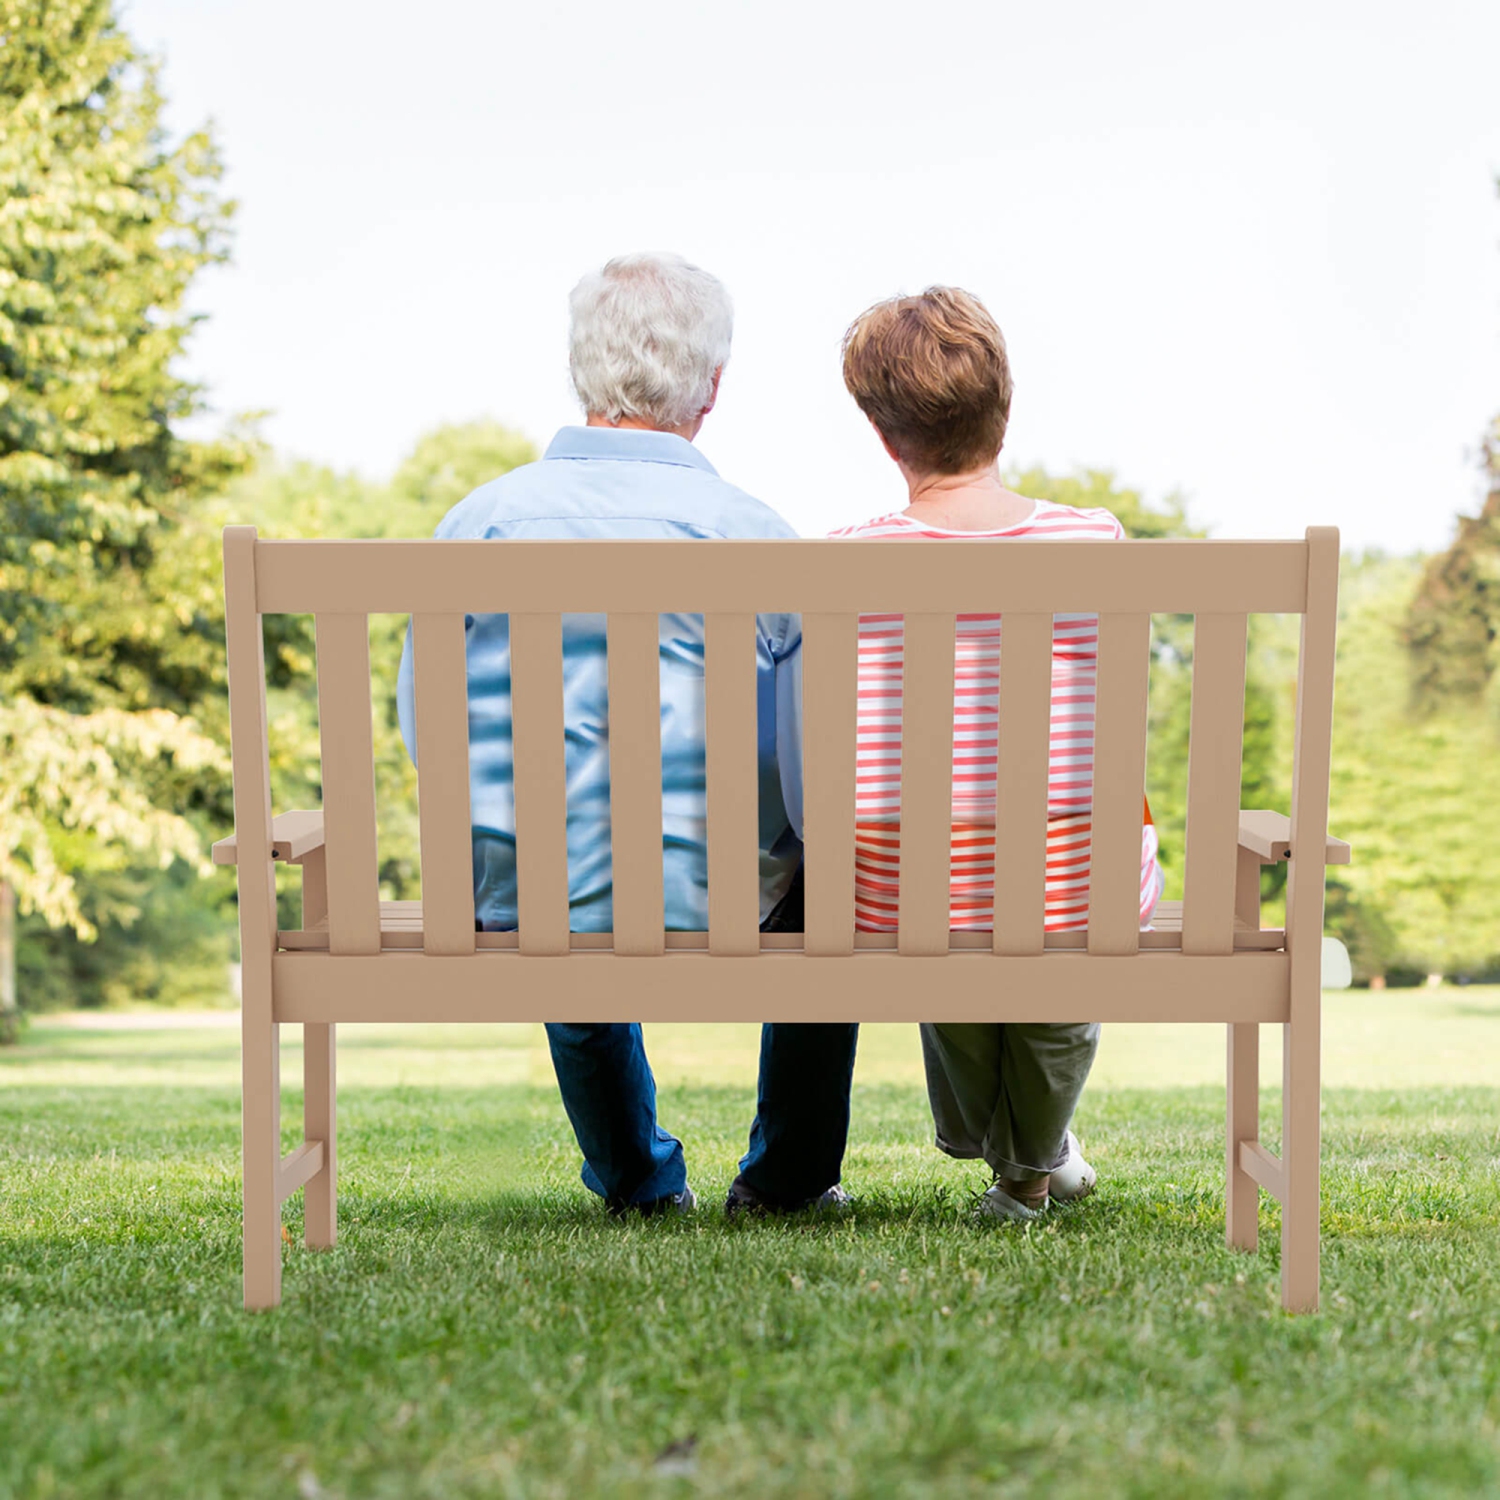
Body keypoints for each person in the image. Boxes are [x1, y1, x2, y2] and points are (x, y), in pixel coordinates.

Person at [396, 252, 857, 1218]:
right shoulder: (755, 533)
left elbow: (425, 733)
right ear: (712, 388)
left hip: (529, 896)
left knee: (555, 863)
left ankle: (639, 1181)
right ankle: (787, 1181)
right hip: (726, 894)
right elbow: (810, 762)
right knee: (833, 871)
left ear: (580, 369)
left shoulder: (479, 524)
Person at [830, 286, 1163, 1221]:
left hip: (909, 888)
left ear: (881, 433)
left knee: (942, 901)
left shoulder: (846, 557)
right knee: (1059, 922)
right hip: (1074, 881)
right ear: (1003, 411)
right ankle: (1032, 1163)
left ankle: (1022, 1167)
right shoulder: (1093, 539)